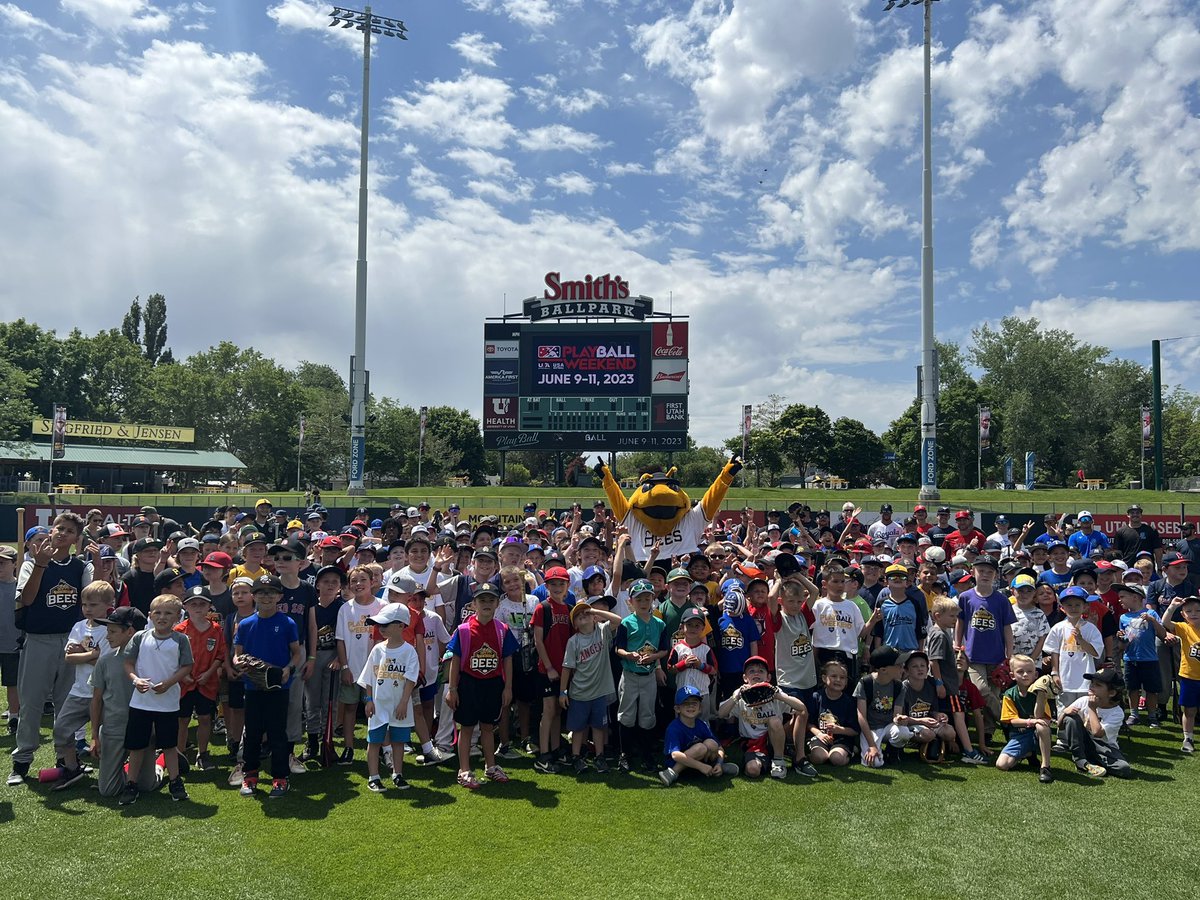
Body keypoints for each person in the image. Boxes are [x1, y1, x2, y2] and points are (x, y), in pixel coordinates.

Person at [10, 512, 91, 786]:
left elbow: (89, 603)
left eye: (69, 531)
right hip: (39, 639)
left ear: (75, 539)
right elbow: (29, 599)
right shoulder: (30, 563)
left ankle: (65, 759)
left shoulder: (80, 567)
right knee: (32, 702)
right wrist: (41, 566)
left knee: (66, 704)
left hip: (70, 640)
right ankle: (22, 760)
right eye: (59, 528)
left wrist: (103, 573)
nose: (61, 534)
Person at [233, 575, 302, 799]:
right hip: (253, 686)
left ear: (279, 596)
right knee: (252, 733)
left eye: (271, 592)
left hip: (278, 687)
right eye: (261, 592)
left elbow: (297, 653)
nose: (266, 596)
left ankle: (280, 778)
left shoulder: (287, 623)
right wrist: (240, 664)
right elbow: (237, 655)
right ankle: (250, 774)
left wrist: (288, 670)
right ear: (254, 596)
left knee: (277, 734)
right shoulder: (245, 624)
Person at [120, 595, 193, 805]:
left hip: (167, 703)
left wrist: (169, 683)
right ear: (150, 615)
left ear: (178, 617)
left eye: (168, 613)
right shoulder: (141, 637)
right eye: (158, 613)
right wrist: (136, 680)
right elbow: (128, 663)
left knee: (169, 745)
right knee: (136, 746)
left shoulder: (180, 640)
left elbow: (187, 666)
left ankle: (175, 781)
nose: (162, 617)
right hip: (140, 702)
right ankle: (131, 783)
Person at [445, 584, 518, 790]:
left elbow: (507, 659)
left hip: (493, 684)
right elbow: (455, 660)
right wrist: (452, 689)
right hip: (469, 683)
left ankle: (491, 765)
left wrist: (508, 688)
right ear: (474, 604)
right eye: (482, 600)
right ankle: (464, 770)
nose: (486, 604)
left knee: (488, 726)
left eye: (491, 600)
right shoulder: (464, 630)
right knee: (466, 727)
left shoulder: (502, 629)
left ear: (497, 603)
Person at [88, 607, 158, 798]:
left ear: (130, 631)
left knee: (146, 786)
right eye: (107, 631)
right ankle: (128, 769)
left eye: (112, 631)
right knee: (109, 791)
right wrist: (95, 735)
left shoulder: (150, 659)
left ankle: (161, 763)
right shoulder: (105, 661)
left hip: (143, 728)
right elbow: (96, 700)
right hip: (114, 729)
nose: (107, 636)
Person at [49, 582, 111, 790]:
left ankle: (111, 772)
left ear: (108, 605)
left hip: (103, 693)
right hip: (79, 691)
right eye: (84, 604)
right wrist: (93, 654)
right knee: (61, 730)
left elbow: (104, 663)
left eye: (93, 604)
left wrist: (85, 654)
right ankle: (72, 767)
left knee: (105, 737)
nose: (88, 609)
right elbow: (69, 658)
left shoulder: (110, 629)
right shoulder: (79, 626)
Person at [717, 655, 815, 779]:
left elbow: (802, 709)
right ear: (745, 678)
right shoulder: (741, 695)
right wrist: (735, 697)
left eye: (761, 671)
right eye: (751, 671)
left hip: (775, 735)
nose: (756, 673)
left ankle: (784, 760)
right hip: (754, 743)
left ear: (768, 677)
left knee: (776, 720)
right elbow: (721, 714)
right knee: (752, 770)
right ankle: (770, 758)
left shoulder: (774, 691)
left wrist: (779, 696)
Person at [357, 602, 419, 792]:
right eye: (379, 625)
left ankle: (397, 774)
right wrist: (368, 700)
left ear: (401, 626)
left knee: (398, 742)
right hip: (378, 706)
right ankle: (373, 777)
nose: (381, 628)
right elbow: (368, 677)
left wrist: (403, 702)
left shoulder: (409, 651)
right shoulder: (377, 650)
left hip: (399, 707)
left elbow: (410, 679)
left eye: (385, 625)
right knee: (374, 741)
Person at [613, 578, 669, 773]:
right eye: (640, 600)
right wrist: (628, 654)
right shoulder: (627, 623)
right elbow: (618, 648)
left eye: (648, 599)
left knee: (647, 715)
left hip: (648, 676)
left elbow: (664, 649)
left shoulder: (659, 624)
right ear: (631, 602)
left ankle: (647, 754)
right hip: (630, 674)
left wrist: (653, 657)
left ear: (653, 599)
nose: (644, 603)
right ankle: (625, 755)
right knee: (626, 715)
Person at [560, 600, 623, 774]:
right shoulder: (574, 641)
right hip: (580, 692)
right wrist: (562, 692)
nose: (583, 617)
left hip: (599, 692)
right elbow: (567, 667)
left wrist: (593, 610)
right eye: (579, 616)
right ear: (575, 624)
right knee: (579, 728)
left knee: (598, 726)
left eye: (586, 614)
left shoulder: (602, 631)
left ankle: (600, 756)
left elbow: (618, 620)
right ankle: (576, 757)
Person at [955, 555, 1015, 734]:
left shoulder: (1001, 599)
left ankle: (989, 731)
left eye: (990, 572)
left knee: (993, 694)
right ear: (973, 572)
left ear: (996, 575)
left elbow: (1007, 628)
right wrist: (957, 644)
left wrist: (1009, 654)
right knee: (982, 690)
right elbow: (960, 623)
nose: (985, 575)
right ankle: (1009, 722)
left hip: (996, 655)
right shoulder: (966, 597)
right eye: (981, 571)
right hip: (973, 655)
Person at [334, 566, 384, 765]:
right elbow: (341, 640)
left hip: (375, 670)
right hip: (353, 669)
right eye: (354, 581)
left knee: (377, 710)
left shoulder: (382, 606)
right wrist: (345, 667)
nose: (358, 584)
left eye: (363, 579)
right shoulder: (346, 608)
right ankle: (348, 747)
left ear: (372, 582)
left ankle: (379, 748)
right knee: (350, 708)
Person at [175, 591, 227, 771]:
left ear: (209, 606)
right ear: (185, 607)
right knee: (182, 719)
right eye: (193, 604)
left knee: (205, 718)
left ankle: (202, 754)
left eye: (202, 604)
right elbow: (173, 657)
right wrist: (184, 675)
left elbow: (220, 655)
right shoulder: (179, 630)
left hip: (207, 683)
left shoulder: (216, 629)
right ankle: (179, 755)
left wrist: (209, 673)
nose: (197, 608)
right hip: (185, 684)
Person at [532, 565, 574, 773]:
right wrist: (548, 667)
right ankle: (544, 754)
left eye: (561, 583)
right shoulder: (542, 608)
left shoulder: (568, 610)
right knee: (548, 711)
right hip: (546, 669)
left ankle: (556, 748)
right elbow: (538, 641)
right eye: (553, 584)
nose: (557, 587)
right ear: (546, 586)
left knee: (558, 710)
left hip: (564, 669)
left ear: (567, 585)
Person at [658, 684, 738, 786]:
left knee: (711, 743)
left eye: (694, 703)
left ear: (700, 708)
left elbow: (719, 747)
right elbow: (675, 755)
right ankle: (672, 773)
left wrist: (719, 763)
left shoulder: (701, 724)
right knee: (700, 747)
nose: (691, 706)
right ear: (677, 709)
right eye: (686, 703)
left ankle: (715, 767)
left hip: (699, 763)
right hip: (679, 764)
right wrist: (700, 766)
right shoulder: (674, 728)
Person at [1057, 668, 1131, 778]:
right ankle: (1080, 760)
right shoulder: (1083, 700)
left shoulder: (1116, 712)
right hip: (1082, 742)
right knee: (1071, 718)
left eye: (1098, 685)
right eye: (1092, 683)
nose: (1092, 686)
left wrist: (1092, 709)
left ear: (1111, 693)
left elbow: (1097, 733)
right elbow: (1060, 725)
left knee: (1123, 769)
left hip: (1103, 747)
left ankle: (1091, 761)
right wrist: (1064, 712)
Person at [996, 654, 1054, 783]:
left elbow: (1044, 719)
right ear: (1012, 675)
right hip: (1019, 735)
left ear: (1036, 675)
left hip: (1037, 734)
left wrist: (1040, 696)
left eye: (1029, 671)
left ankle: (1045, 766)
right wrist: (1031, 721)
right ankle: (1027, 753)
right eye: (1020, 672)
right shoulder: (1009, 694)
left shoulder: (1041, 692)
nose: (1025, 675)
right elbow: (1012, 721)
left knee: (1042, 725)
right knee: (1002, 765)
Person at [1044, 587, 1103, 710]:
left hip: (1085, 680)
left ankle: (1084, 729)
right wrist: (1055, 673)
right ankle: (1064, 729)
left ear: (1085, 607)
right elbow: (1054, 652)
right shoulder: (1058, 628)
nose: (1073, 608)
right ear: (1062, 608)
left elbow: (1096, 652)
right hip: (1065, 679)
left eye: (1077, 605)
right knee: (1064, 710)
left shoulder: (1091, 629)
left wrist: (1081, 640)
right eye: (1069, 605)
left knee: (1085, 710)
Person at [1116, 583, 1166, 728]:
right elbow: (1123, 644)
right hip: (1130, 658)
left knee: (1151, 689)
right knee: (1132, 688)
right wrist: (1120, 637)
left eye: (1122, 597)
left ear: (1135, 597)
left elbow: (1162, 634)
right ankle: (1134, 714)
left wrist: (1152, 621)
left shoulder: (1151, 614)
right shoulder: (1123, 617)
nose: (1120, 600)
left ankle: (1152, 716)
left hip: (1149, 658)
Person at [854, 644, 910, 767]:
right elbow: (861, 716)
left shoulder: (899, 686)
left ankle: (892, 750)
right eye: (898, 666)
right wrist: (872, 746)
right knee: (874, 763)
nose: (903, 668)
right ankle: (861, 745)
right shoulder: (865, 683)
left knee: (904, 732)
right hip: (870, 728)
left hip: (888, 727)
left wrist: (899, 719)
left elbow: (896, 714)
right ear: (883, 670)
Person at [895, 651, 954, 761]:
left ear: (927, 669)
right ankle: (911, 743)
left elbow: (933, 711)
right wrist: (922, 721)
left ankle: (933, 744)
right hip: (909, 725)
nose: (920, 669)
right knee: (928, 734)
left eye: (923, 666)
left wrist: (939, 715)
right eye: (915, 666)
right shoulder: (903, 688)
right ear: (906, 670)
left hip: (927, 723)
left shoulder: (930, 684)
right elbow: (901, 719)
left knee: (949, 732)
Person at [1162, 595, 1200, 753]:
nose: (1194, 613)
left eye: (1198, 610)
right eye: (1189, 611)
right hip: (1189, 676)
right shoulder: (1184, 628)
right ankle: (1188, 738)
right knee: (1189, 710)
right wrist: (1172, 607)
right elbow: (1165, 623)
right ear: (1183, 614)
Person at [804, 659, 858, 767]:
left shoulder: (849, 702)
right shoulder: (816, 697)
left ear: (846, 681)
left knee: (836, 759)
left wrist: (839, 730)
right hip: (820, 738)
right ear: (824, 678)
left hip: (841, 739)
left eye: (842, 678)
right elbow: (808, 723)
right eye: (833, 676)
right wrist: (819, 734)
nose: (838, 680)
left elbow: (855, 731)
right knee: (818, 758)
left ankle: (853, 752)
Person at [0, 545, 17, 734]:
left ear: (14, 564)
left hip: (12, 644)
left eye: (3, 562)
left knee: (12, 683)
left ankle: (14, 717)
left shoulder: (20, 587)